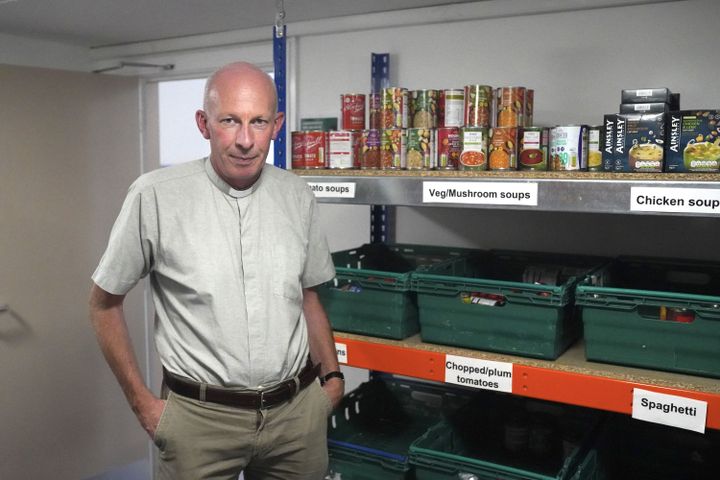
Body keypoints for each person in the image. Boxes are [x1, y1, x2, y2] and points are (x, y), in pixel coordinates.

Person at [89, 61, 343, 480]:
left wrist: (331, 379)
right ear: (204, 124)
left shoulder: (296, 195)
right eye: (230, 121)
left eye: (258, 121)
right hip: (199, 423)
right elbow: (103, 304)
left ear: (276, 125)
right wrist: (143, 405)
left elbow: (308, 293)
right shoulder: (155, 196)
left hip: (296, 418)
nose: (245, 140)